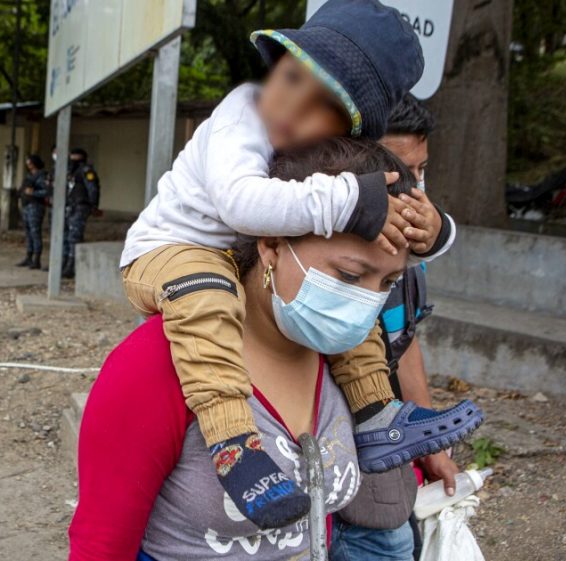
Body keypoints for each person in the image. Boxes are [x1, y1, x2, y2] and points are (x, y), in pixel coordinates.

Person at [118, 0, 482, 531]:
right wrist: (349, 202)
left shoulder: (324, 157)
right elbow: (242, 202)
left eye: (323, 104)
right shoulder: (245, 110)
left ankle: (376, 412)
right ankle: (233, 445)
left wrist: (434, 230)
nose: (292, 106)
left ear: (349, 128)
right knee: (208, 296)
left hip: (241, 257)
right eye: (291, 77)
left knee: (350, 296)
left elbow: (381, 220)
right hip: (172, 250)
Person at [72, 137, 432, 560]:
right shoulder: (155, 363)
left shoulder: (338, 354)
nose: (366, 304)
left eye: (387, 283)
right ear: (272, 245)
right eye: (350, 276)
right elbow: (100, 547)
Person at [331, 95, 461, 561]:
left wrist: (427, 443)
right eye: (398, 173)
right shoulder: (322, 250)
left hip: (388, 439)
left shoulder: (407, 256)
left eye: (421, 171)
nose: (414, 193)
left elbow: (403, 341)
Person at [61, 148, 100, 279]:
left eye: (74, 156)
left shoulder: (86, 171)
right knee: (66, 236)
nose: (72, 158)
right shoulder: (70, 171)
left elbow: (93, 188)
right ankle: (64, 263)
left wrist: (93, 205)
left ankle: (71, 266)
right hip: (69, 207)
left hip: (80, 207)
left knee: (74, 237)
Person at [17, 154, 49, 269]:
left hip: (35, 206)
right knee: (28, 232)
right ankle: (29, 256)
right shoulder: (29, 176)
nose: (28, 165)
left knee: (35, 233)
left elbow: (46, 191)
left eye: (30, 163)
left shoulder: (41, 176)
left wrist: (33, 193)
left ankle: (37, 259)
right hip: (26, 206)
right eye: (27, 163)